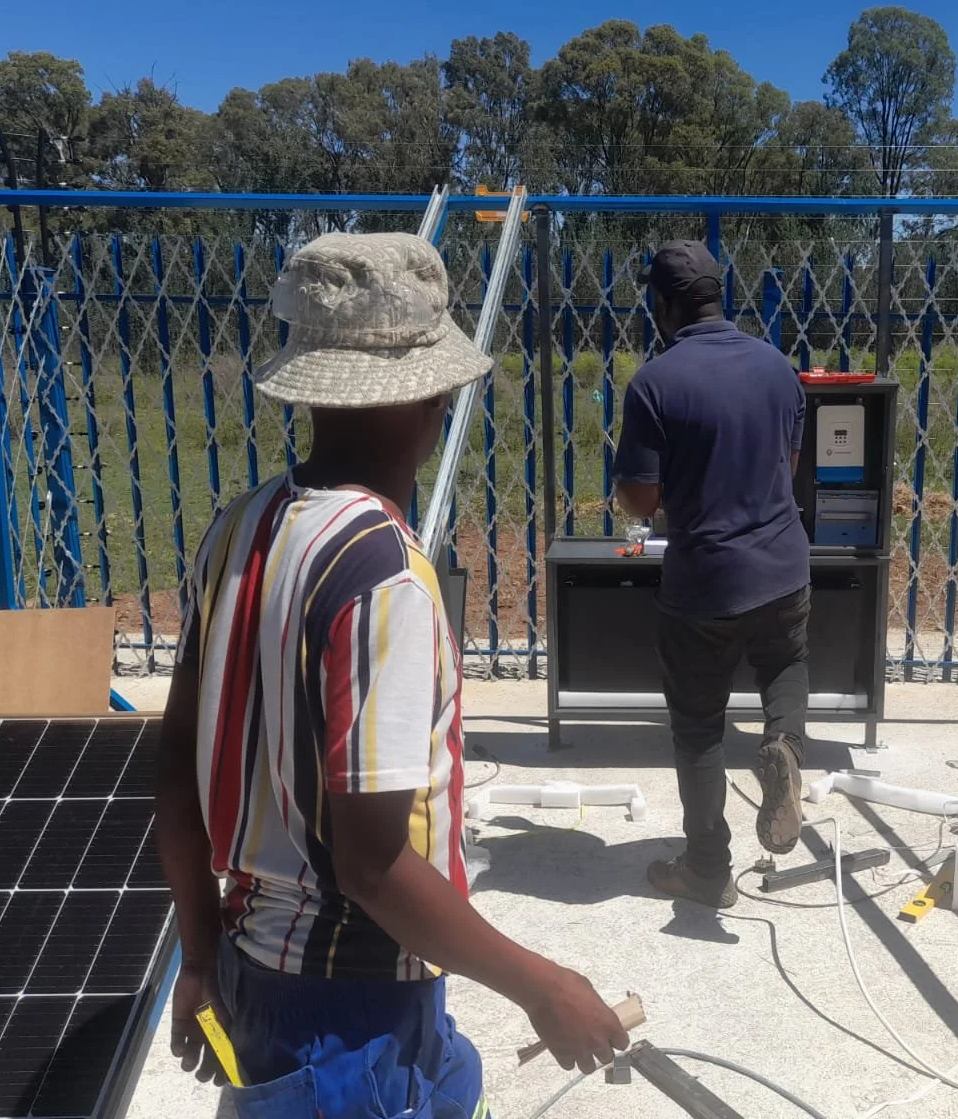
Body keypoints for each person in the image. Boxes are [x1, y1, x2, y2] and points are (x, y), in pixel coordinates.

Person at [153, 232, 629, 1118]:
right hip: (353, 1016)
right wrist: (541, 984)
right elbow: (370, 867)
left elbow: (176, 771)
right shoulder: (386, 579)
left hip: (255, 971)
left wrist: (198, 950)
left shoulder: (238, 527)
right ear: (435, 397)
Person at [613, 240, 813, 910]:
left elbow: (640, 499)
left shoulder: (655, 383)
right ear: (720, 295)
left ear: (663, 306)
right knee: (784, 666)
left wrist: (682, 489)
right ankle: (783, 744)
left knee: (698, 727)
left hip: (706, 582)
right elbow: (785, 469)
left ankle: (706, 871)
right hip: (785, 566)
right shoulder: (778, 368)